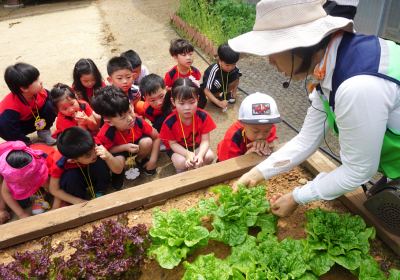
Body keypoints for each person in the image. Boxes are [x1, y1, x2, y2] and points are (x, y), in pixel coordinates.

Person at [228, 0, 400, 217]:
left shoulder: (356, 85)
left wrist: (298, 196)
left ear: (300, 44)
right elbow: (307, 139)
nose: (270, 62)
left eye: (273, 50)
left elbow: (357, 171)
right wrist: (256, 173)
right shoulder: (331, 66)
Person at [92, 86, 160, 188]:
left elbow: (157, 137)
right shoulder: (106, 134)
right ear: (109, 122)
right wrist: (124, 147)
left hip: (137, 145)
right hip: (118, 151)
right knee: (118, 162)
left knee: (147, 142)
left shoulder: (137, 121)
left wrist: (153, 160)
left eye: (130, 111)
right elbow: (104, 151)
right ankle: (118, 173)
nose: (130, 119)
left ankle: (141, 160)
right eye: (123, 117)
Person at [49, 127, 124, 208]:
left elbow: (119, 170)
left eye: (94, 149)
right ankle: (80, 198)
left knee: (99, 161)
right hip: (76, 179)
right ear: (72, 161)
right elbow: (54, 189)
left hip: (91, 171)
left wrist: (108, 156)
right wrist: (76, 200)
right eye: (89, 155)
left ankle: (100, 190)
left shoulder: (92, 143)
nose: (95, 154)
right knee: (69, 176)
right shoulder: (59, 162)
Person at [160, 77, 215, 174]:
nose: (187, 108)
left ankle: (197, 162)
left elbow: (205, 140)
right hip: (178, 149)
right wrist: (186, 154)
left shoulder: (203, 117)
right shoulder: (169, 122)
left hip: (197, 145)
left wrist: (201, 155)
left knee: (209, 157)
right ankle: (181, 169)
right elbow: (172, 144)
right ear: (173, 102)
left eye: (192, 102)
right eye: (181, 103)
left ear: (197, 99)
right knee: (181, 162)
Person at [0, 63, 57, 145]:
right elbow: (11, 130)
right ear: (24, 88)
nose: (41, 82)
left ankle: (43, 132)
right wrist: (28, 144)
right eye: (36, 80)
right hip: (10, 128)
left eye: (38, 78)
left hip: (31, 120)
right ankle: (21, 143)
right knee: (8, 132)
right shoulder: (11, 107)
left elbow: (58, 102)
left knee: (51, 105)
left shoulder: (41, 93)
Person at [0, 141, 55, 221]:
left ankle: (62, 199)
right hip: (25, 172)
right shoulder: (10, 172)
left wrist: (58, 204)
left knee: (46, 184)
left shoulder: (40, 168)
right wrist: (22, 214)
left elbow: (55, 188)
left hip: (46, 173)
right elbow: (5, 192)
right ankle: (41, 195)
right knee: (25, 186)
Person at [217, 93, 279, 162]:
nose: (261, 136)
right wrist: (248, 156)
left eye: (267, 131)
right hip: (231, 161)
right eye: (255, 131)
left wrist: (265, 146)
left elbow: (271, 145)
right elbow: (228, 167)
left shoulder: (269, 126)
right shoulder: (233, 137)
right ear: (241, 122)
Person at [201, 43, 242, 108]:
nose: (230, 67)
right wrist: (218, 102)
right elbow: (206, 90)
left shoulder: (234, 68)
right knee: (218, 82)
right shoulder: (214, 70)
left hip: (224, 83)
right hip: (215, 86)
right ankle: (216, 97)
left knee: (235, 74)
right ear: (219, 60)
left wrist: (234, 91)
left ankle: (226, 93)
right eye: (227, 65)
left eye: (233, 64)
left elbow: (237, 78)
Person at [140, 74, 168, 151]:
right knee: (159, 123)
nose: (159, 102)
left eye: (161, 96)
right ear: (145, 99)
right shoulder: (148, 110)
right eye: (152, 100)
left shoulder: (174, 96)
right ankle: (163, 138)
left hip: (176, 114)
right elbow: (153, 122)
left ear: (167, 89)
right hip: (161, 119)